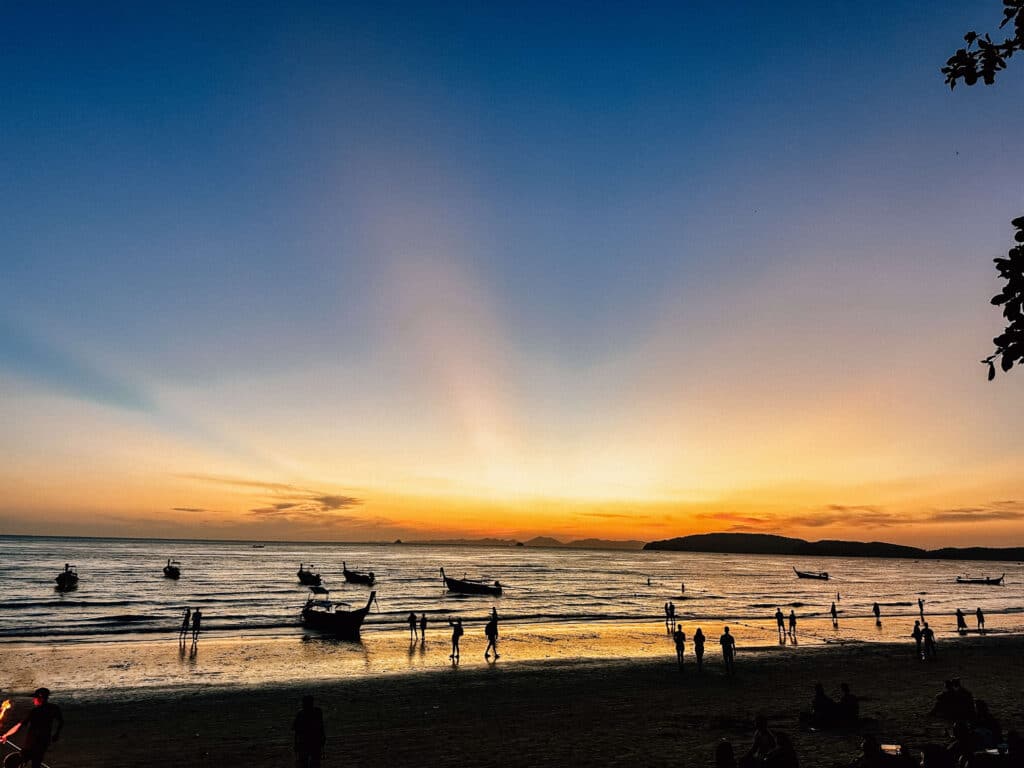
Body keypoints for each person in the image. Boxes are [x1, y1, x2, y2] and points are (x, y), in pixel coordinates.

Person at [0, 687, 63, 768]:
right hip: (44, 741)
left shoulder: (35, 711)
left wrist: (6, 735)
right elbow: (61, 721)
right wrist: (56, 734)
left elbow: (19, 725)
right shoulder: (54, 708)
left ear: (40, 698)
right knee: (35, 762)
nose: (34, 700)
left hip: (32, 742)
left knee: (20, 761)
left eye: (35, 698)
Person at [293, 694, 325, 768]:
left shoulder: (300, 713)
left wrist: (295, 743)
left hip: (304, 741)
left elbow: (296, 730)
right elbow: (321, 726)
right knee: (315, 762)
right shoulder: (317, 711)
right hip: (315, 740)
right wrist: (323, 737)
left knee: (304, 762)